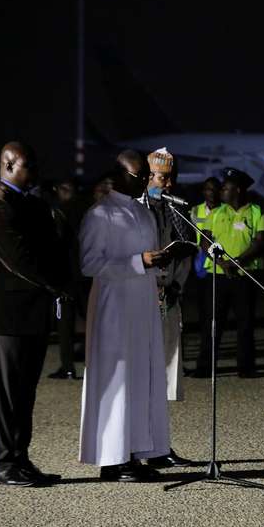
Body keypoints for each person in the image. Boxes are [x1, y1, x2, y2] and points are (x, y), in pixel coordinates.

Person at [79, 149, 175, 482]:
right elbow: (90, 264)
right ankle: (112, 459)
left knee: (141, 378)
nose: (147, 180)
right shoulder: (101, 214)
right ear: (120, 175)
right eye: (139, 175)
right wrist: (140, 262)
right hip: (114, 308)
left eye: (147, 175)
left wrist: (158, 265)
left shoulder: (142, 212)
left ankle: (135, 451)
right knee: (117, 381)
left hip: (142, 304)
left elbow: (147, 258)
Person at [0, 141, 67, 486]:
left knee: (24, 392)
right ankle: (3, 463)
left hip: (29, 311)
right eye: (29, 165)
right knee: (6, 393)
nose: (36, 171)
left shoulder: (28, 203)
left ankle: (20, 457)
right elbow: (20, 261)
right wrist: (59, 284)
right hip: (7, 313)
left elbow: (51, 244)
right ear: (9, 163)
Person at [141, 148, 193, 469]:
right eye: (161, 177)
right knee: (144, 377)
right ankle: (142, 446)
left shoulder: (180, 208)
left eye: (171, 177)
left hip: (170, 296)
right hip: (142, 297)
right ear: (148, 177)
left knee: (164, 376)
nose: (167, 183)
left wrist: (175, 287)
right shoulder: (135, 209)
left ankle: (161, 446)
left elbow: (186, 250)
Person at [193, 168, 264, 379]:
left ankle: (245, 367)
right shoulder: (217, 212)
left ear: (237, 190)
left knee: (245, 323)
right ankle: (205, 367)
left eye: (226, 188)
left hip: (245, 275)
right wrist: (219, 261)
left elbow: (260, 242)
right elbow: (205, 240)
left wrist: (236, 263)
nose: (221, 192)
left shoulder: (256, 211)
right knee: (212, 322)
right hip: (217, 275)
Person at [48, 179, 85, 380]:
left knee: (65, 324)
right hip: (83, 274)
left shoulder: (59, 213)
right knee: (88, 320)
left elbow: (56, 246)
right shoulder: (86, 211)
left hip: (68, 276)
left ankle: (68, 366)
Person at [188, 177, 223, 376]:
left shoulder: (224, 211)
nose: (211, 192)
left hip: (215, 268)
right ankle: (203, 361)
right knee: (202, 317)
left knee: (212, 318)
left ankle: (208, 362)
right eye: (208, 189)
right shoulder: (194, 211)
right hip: (198, 268)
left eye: (214, 189)